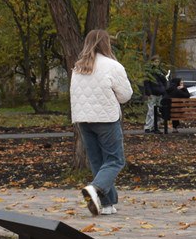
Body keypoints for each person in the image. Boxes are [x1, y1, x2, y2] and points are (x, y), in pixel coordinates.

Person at [70, 29, 133, 216]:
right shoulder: (113, 66)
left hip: (83, 119)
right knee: (115, 160)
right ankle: (95, 188)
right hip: (106, 119)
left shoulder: (78, 67)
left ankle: (107, 204)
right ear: (106, 44)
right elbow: (126, 95)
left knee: (98, 161)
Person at [141, 64, 166, 133]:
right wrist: (149, 93)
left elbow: (164, 81)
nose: (157, 63)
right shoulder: (149, 72)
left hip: (160, 93)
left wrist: (163, 90)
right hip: (152, 94)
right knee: (151, 110)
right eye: (155, 61)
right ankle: (148, 126)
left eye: (158, 61)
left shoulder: (160, 71)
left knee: (158, 111)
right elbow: (147, 83)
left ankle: (155, 126)